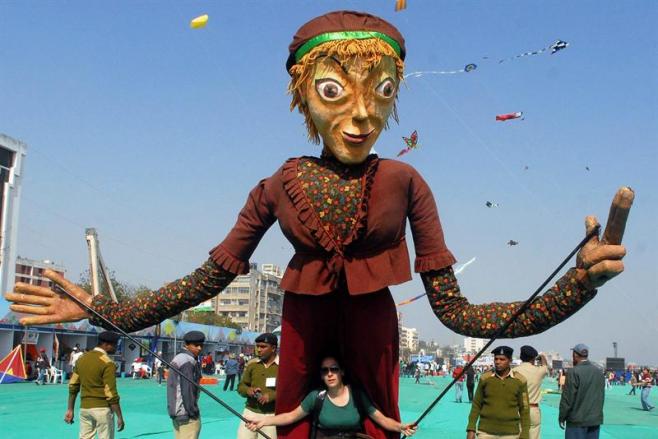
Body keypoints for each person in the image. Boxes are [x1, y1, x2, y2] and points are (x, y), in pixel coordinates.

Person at [6, 9, 630, 439]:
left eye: (381, 92)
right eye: (335, 92)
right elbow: (208, 278)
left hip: (375, 331)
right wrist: (101, 307)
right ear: (304, 96)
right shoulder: (277, 186)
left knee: (379, 423)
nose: (361, 115)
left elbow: (459, 315)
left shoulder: (406, 183)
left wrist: (576, 285)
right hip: (298, 331)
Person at [245, 355, 417, 438]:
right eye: (325, 370)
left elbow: (382, 420)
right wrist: (263, 421)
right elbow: (291, 416)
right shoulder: (316, 397)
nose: (330, 374)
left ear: (341, 372)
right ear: (321, 375)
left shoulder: (357, 395)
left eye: (334, 369)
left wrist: (401, 427)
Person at [65, 331, 125, 439]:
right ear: (106, 345)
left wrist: (70, 409)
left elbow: (73, 385)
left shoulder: (81, 359)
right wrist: (119, 416)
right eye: (115, 345)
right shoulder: (108, 363)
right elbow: (110, 393)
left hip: (84, 409)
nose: (116, 348)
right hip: (102, 409)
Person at [467, 346, 530, 439]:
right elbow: (476, 404)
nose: (498, 362)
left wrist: (525, 434)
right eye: (496, 359)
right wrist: (471, 428)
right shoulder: (485, 378)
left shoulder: (520, 381)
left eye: (502, 359)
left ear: (510, 360)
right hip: (485, 433)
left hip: (511, 434)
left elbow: (524, 409)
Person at [237, 333, 279, 439]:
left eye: (263, 346)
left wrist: (272, 396)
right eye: (258, 346)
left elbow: (289, 392)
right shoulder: (252, 365)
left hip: (271, 416)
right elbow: (241, 386)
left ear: (273, 348)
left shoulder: (283, 367)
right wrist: (249, 390)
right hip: (250, 413)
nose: (259, 349)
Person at [559, 344, 605, 438]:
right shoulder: (599, 372)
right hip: (594, 420)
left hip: (577, 421)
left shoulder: (573, 372)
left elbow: (568, 398)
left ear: (575, 355)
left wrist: (562, 416)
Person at [167, 331, 205, 439]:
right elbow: (187, 389)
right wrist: (192, 412)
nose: (199, 348)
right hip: (186, 415)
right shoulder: (188, 361)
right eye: (196, 345)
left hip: (175, 412)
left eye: (201, 345)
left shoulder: (179, 357)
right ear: (186, 345)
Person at [513, 345, 549, 439]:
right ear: (534, 358)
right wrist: (542, 356)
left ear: (521, 357)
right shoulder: (538, 371)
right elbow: (545, 366)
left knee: (517, 435)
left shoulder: (514, 371)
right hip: (533, 409)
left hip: (517, 409)